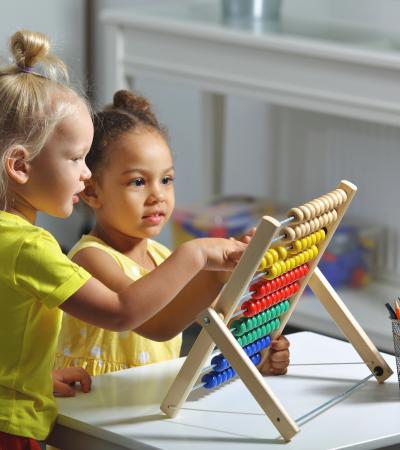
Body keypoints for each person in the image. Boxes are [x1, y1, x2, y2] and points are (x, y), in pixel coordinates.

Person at [0, 30, 248, 449]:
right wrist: (198, 251)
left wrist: (32, 375)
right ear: (21, 165)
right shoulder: (29, 246)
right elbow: (120, 312)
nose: (84, 173)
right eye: (76, 158)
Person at [55, 89, 290, 377]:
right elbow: (159, 323)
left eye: (166, 179)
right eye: (138, 182)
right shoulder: (90, 259)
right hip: (94, 403)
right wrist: (201, 259)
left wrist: (256, 353)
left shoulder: (162, 258)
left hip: (150, 399)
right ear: (92, 191)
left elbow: (220, 322)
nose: (158, 195)